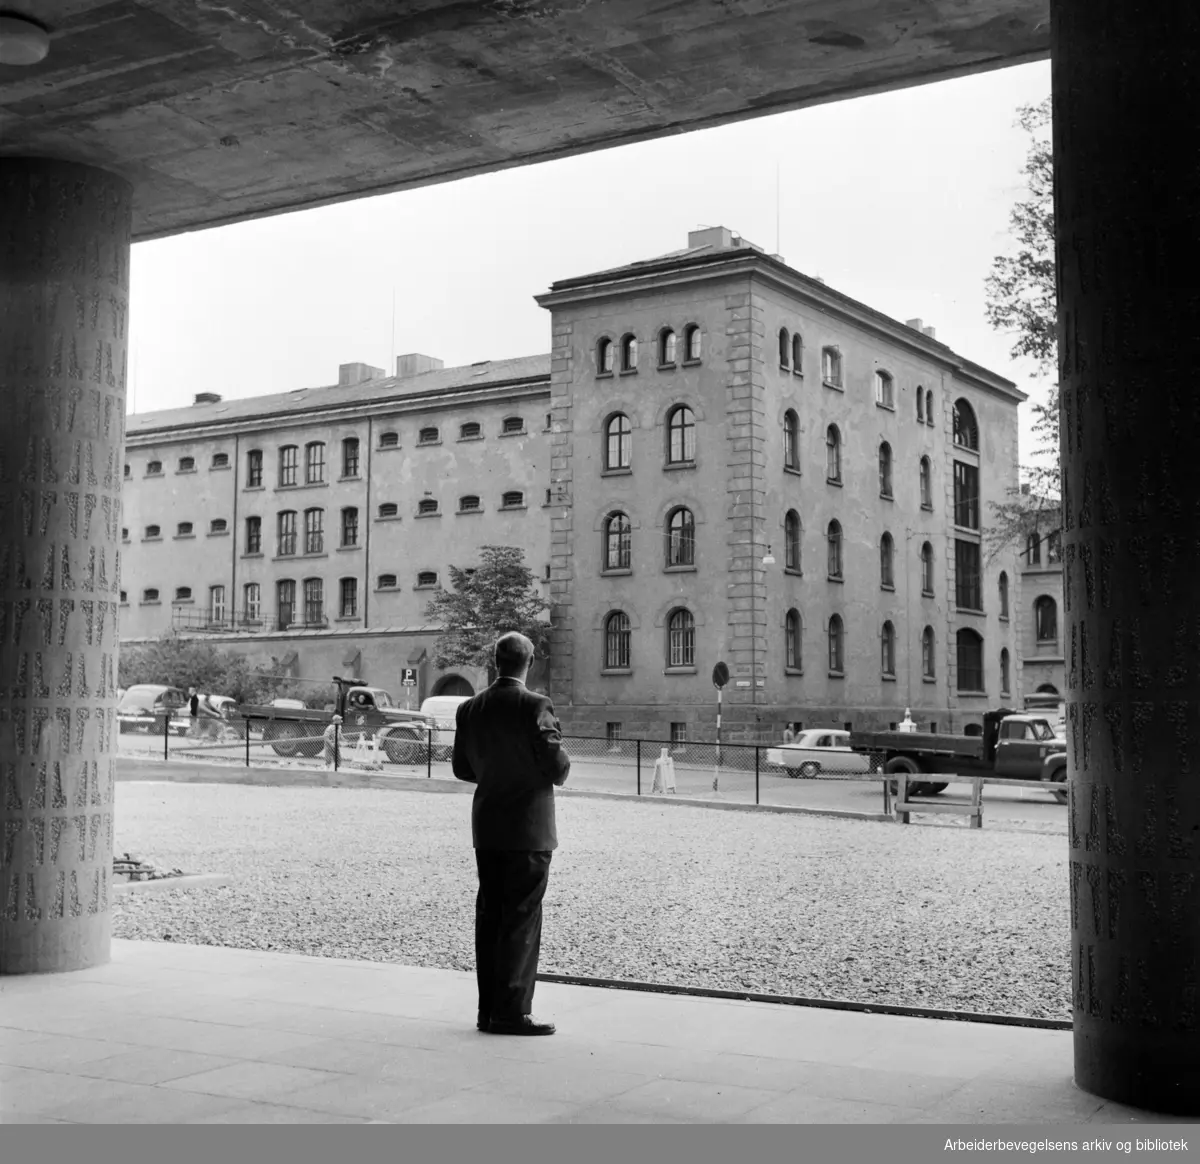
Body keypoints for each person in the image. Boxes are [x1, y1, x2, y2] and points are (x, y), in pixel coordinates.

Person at [452, 632, 570, 1036]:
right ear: (530, 661)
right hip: (529, 829)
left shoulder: (470, 708)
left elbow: (463, 769)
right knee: (521, 918)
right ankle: (513, 1012)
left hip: (487, 827)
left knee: (490, 916)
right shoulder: (536, 705)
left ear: (494, 660)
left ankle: (489, 1011)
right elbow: (557, 768)